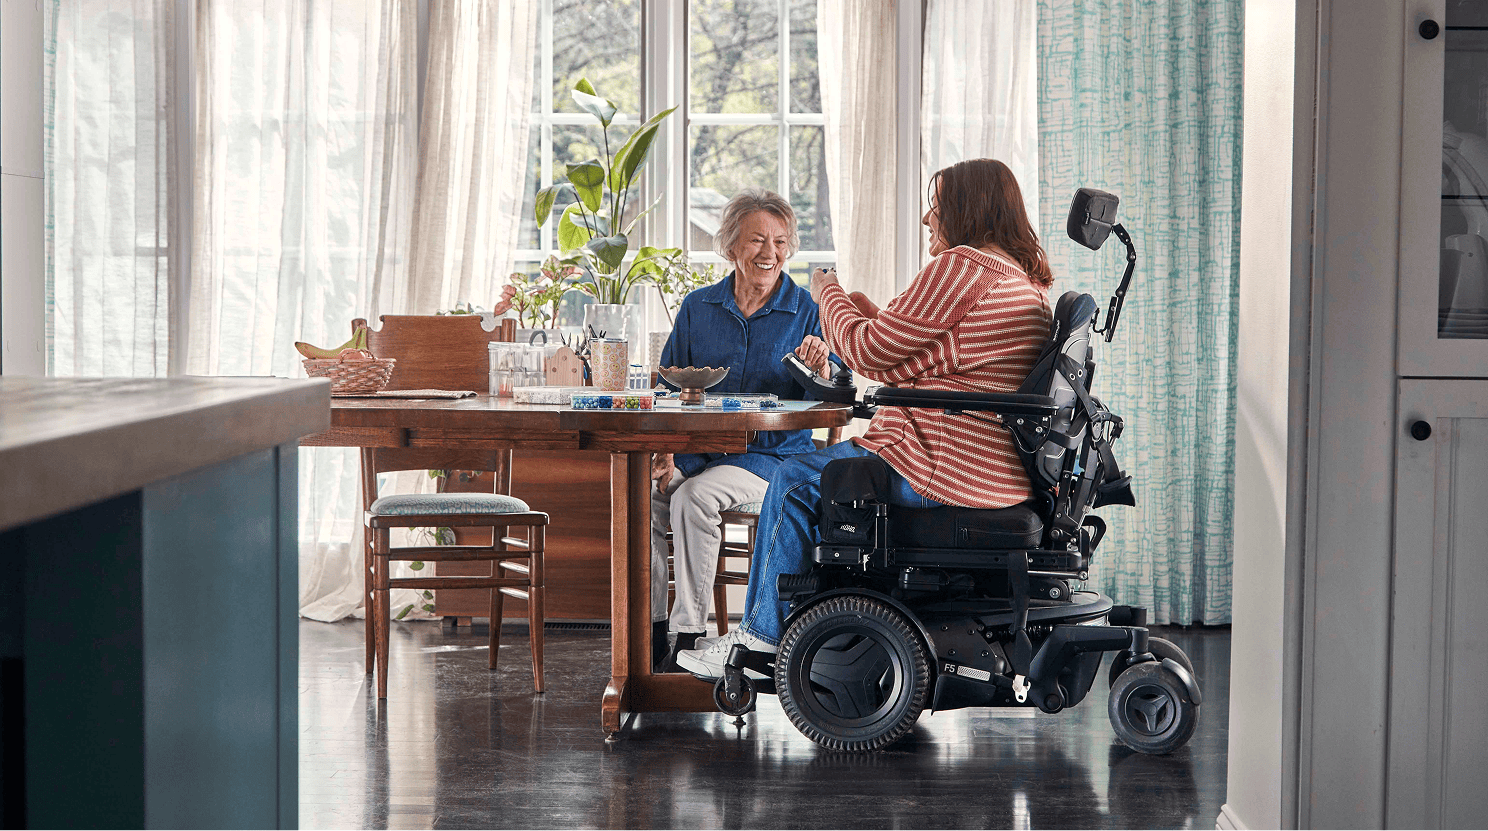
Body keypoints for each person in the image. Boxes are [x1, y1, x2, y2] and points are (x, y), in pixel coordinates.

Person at [675, 159, 1054, 679]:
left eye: (936, 207)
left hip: (938, 461)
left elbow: (868, 353)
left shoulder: (963, 267)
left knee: (793, 480)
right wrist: (870, 315)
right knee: (805, 475)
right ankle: (791, 628)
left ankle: (760, 641)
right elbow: (933, 355)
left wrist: (827, 289)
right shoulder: (1018, 278)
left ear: (968, 210)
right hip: (982, 466)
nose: (927, 218)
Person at [650, 188, 836, 670]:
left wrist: (821, 366)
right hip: (696, 453)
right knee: (644, 499)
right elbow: (667, 387)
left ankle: (687, 635)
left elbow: (835, 391)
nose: (769, 252)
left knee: (694, 499)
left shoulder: (808, 310)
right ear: (731, 245)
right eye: (757, 240)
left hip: (771, 458)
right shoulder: (698, 307)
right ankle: (648, 633)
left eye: (780, 241)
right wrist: (665, 450)